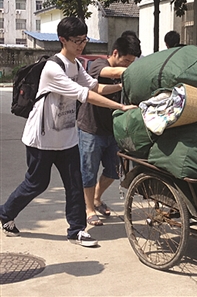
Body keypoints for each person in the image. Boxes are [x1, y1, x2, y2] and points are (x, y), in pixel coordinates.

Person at [0, 17, 137, 247]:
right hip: (42, 139)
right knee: (36, 184)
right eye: (76, 40)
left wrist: (123, 87)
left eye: (84, 40)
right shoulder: (54, 67)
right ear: (62, 40)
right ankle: (5, 213)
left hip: (66, 138)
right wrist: (121, 106)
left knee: (74, 184)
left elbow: (95, 86)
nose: (81, 45)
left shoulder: (76, 64)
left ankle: (76, 230)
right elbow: (85, 95)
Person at [77, 34, 141, 226]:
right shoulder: (98, 65)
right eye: (126, 61)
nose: (128, 66)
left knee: (114, 171)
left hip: (113, 131)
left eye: (132, 62)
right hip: (91, 129)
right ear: (115, 53)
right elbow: (110, 74)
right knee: (88, 171)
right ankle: (88, 209)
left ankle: (96, 198)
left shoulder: (125, 73)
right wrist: (129, 75)